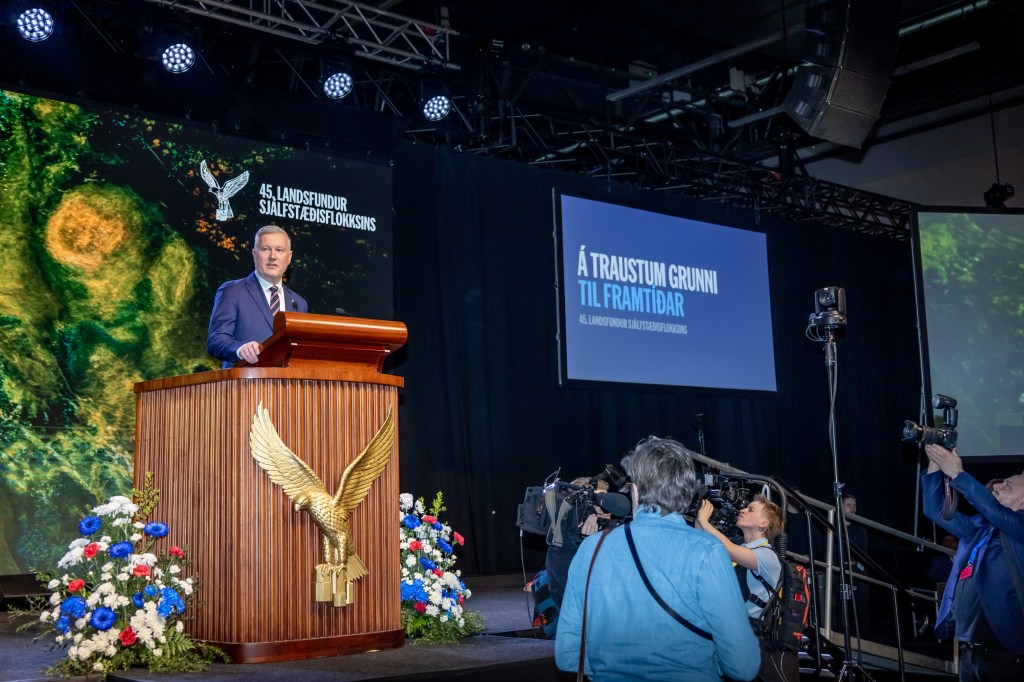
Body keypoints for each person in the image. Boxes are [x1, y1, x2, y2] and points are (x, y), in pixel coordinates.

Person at [555, 437, 760, 681]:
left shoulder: (592, 548)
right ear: (688, 494)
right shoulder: (708, 551)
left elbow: (568, 655)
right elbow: (744, 666)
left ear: (635, 492)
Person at [921, 443, 1024, 681]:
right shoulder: (980, 527)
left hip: (1007, 654)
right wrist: (935, 465)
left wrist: (958, 474)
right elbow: (934, 510)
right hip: (970, 650)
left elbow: (994, 510)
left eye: (1007, 485)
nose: (997, 485)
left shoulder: (1019, 527)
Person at [696, 495, 799, 682]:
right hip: (727, 632)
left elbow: (727, 548)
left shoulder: (768, 557)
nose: (742, 510)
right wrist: (699, 513)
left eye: (751, 509)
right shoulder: (740, 549)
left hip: (748, 637)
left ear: (763, 524)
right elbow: (705, 543)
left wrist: (704, 521)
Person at [207, 225, 308, 368]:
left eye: (279, 250)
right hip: (244, 380)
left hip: (286, 381)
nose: (273, 257)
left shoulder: (299, 303)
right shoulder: (232, 291)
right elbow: (215, 340)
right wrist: (240, 349)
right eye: (266, 249)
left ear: (289, 257)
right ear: (254, 254)